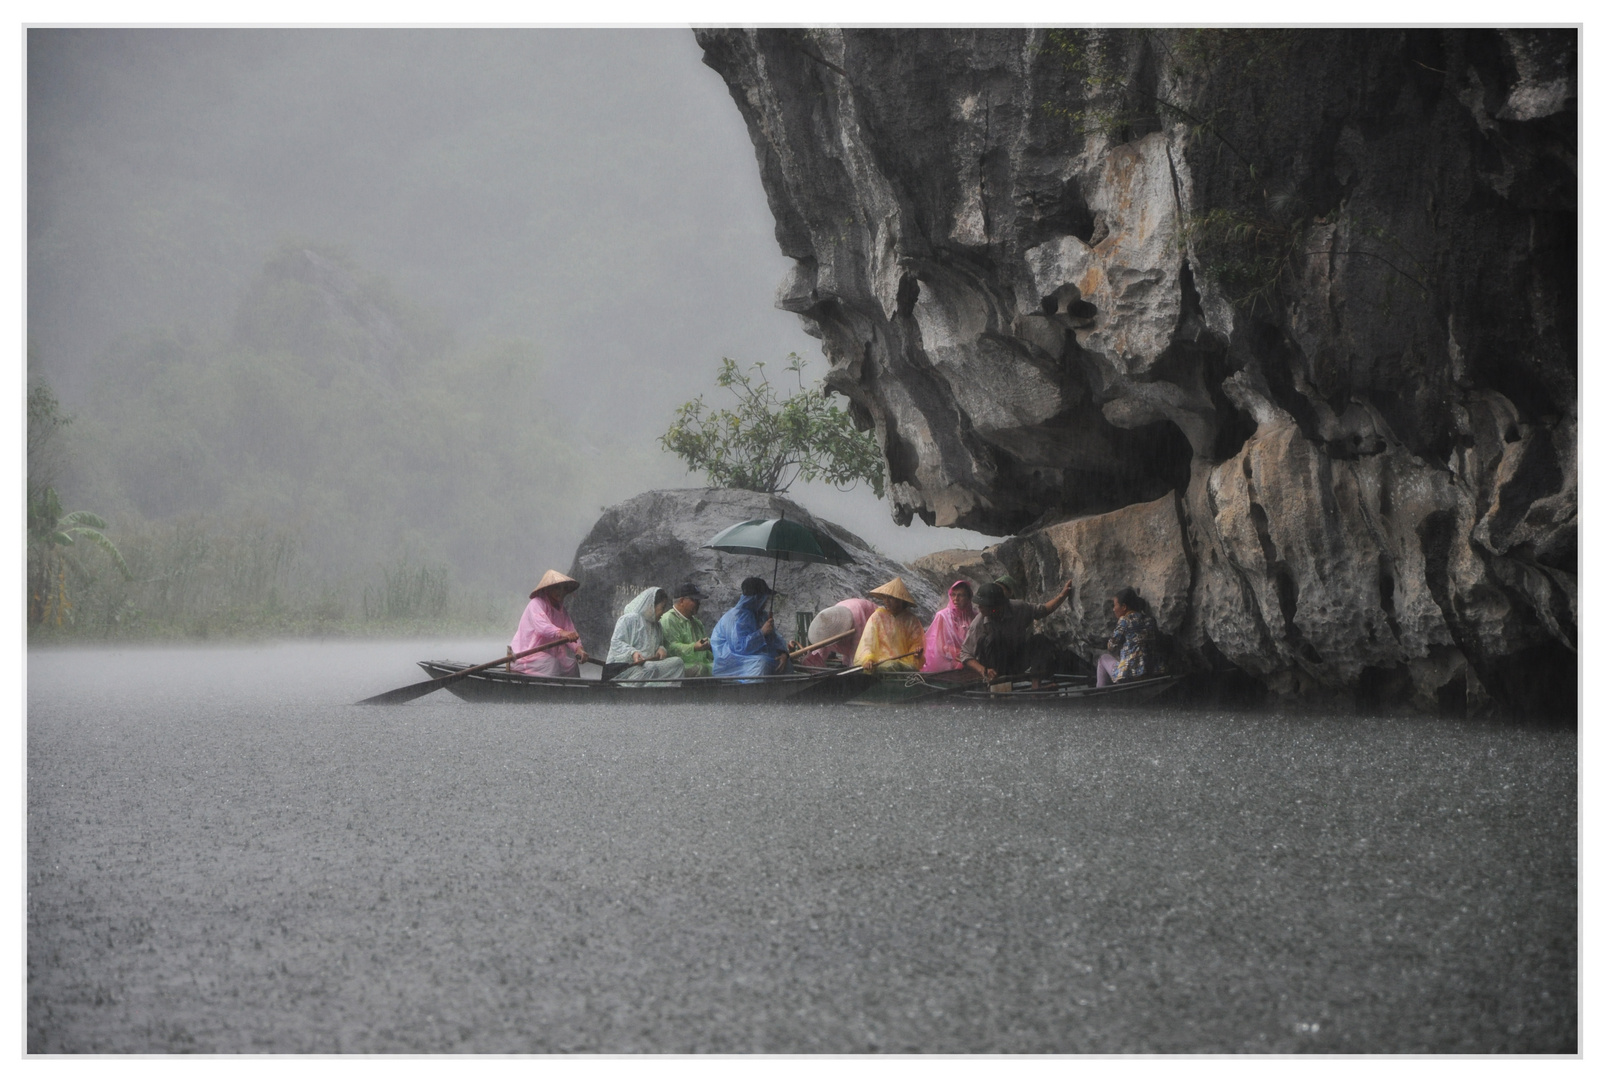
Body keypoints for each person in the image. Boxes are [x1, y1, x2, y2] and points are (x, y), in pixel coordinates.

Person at [961, 578, 1074, 685]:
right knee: (994, 638)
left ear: (997, 606)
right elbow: (965, 654)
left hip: (1016, 657)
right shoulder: (978, 624)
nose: (980, 608)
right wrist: (983, 670)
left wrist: (1062, 595)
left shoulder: (1018, 608)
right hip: (994, 665)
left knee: (1039, 640)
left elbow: (1043, 610)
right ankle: (997, 684)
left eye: (984, 606)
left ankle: (1036, 684)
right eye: (980, 606)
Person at [509, 569, 586, 678]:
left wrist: (579, 649)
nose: (560, 591)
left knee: (571, 665)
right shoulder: (536, 603)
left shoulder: (562, 610)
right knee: (551, 664)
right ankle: (549, 693)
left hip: (550, 654)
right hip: (526, 655)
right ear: (547, 589)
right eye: (556, 588)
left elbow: (571, 631)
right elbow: (543, 627)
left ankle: (573, 693)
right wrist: (562, 633)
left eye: (562, 588)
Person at [710, 576, 791, 678]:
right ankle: (753, 691)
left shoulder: (762, 615)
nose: (766, 602)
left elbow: (775, 638)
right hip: (731, 662)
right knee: (762, 664)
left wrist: (783, 654)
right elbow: (739, 647)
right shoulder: (736, 617)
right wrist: (761, 633)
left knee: (785, 664)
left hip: (753, 657)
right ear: (757, 598)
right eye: (764, 598)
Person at [605, 587, 687, 685]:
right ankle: (628, 693)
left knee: (677, 663)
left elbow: (659, 645)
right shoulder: (628, 620)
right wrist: (633, 653)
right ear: (651, 605)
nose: (663, 612)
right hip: (622, 668)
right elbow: (616, 642)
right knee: (649, 667)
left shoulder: (657, 625)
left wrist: (661, 649)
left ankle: (664, 693)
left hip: (648, 666)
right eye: (662, 607)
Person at [852, 577, 925, 673]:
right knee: (890, 665)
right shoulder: (877, 617)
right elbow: (867, 642)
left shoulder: (911, 620)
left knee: (907, 668)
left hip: (904, 664)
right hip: (881, 663)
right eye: (885, 597)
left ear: (900, 600)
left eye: (891, 598)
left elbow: (916, 643)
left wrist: (916, 653)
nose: (887, 601)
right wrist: (868, 659)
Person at [1096, 586, 1160, 687]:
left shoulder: (1124, 620)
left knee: (1103, 658)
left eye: (1115, 605)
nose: (1113, 609)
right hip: (1150, 671)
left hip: (1129, 675)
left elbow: (1111, 647)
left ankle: (1099, 694)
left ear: (1124, 607)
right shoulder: (1150, 620)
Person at [800, 597, 878, 667]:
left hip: (871, 619)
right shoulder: (827, 620)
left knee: (861, 654)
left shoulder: (857, 619)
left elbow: (859, 647)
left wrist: (853, 668)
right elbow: (822, 648)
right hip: (844, 610)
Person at [920, 579, 977, 673]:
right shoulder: (942, 616)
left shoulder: (975, 617)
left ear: (969, 597)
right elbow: (940, 646)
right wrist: (962, 655)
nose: (956, 599)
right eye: (953, 595)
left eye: (961, 595)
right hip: (948, 662)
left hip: (971, 660)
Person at [658, 582, 713, 677]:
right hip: (679, 668)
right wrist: (694, 647)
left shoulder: (696, 622)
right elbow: (671, 648)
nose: (698, 603)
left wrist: (711, 646)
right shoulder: (668, 619)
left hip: (703, 664)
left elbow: (707, 652)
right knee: (701, 669)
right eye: (694, 600)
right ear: (682, 601)